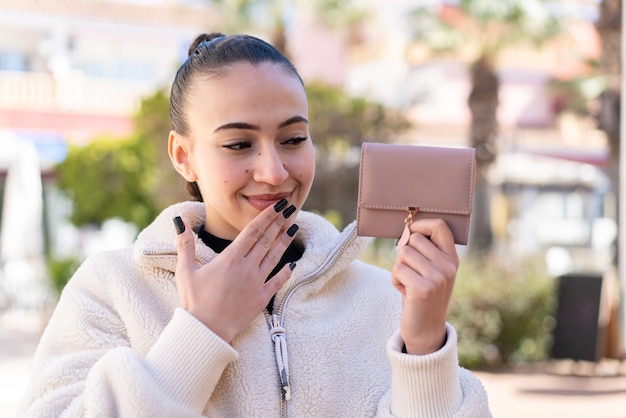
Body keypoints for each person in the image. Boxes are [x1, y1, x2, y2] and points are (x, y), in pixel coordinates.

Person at [18, 33, 491, 417]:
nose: (274, 171)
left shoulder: (380, 297)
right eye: (239, 144)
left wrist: (425, 345)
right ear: (184, 156)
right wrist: (201, 330)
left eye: (293, 138)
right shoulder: (112, 289)